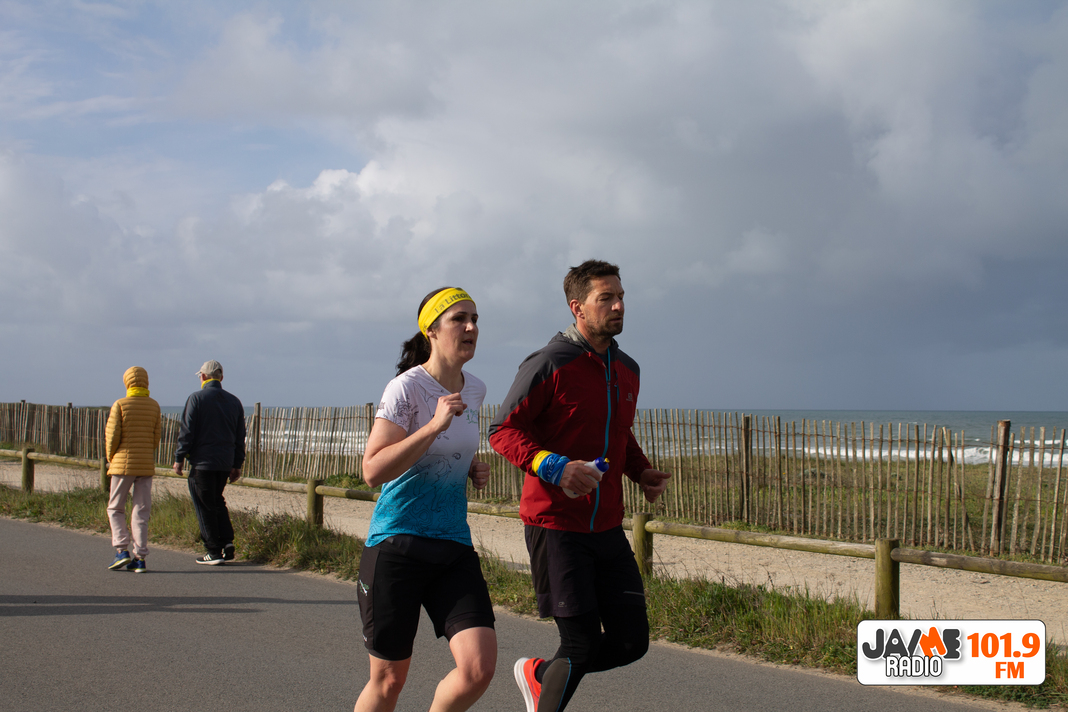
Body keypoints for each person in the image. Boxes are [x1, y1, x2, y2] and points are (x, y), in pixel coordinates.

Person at [488, 259, 671, 712]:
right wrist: (554, 467)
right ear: (578, 307)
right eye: (605, 298)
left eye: (621, 296)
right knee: (581, 643)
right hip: (556, 525)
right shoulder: (549, 363)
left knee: (631, 642)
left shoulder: (628, 368)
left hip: (607, 527)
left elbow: (618, 434)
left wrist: (641, 472)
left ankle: (538, 675)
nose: (618, 305)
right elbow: (503, 430)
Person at [354, 287, 496, 712]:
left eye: (475, 319)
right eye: (459, 319)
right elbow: (372, 470)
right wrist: (433, 426)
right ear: (431, 330)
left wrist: (469, 466)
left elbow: (450, 449)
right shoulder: (406, 388)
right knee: (388, 681)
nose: (470, 327)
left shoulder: (476, 389)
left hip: (452, 544)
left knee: (478, 669)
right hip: (397, 544)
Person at [173, 360, 246, 566]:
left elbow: (187, 431)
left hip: (203, 462)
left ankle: (213, 550)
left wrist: (179, 458)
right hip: (224, 462)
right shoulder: (234, 401)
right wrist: (237, 463)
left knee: (204, 504)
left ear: (203, 377)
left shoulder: (196, 398)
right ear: (221, 378)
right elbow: (240, 436)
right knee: (217, 500)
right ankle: (227, 541)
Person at [104, 366, 162, 573]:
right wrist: (145, 453)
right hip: (145, 464)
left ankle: (121, 550)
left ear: (127, 382)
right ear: (146, 381)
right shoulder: (154, 406)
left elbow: (112, 436)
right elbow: (156, 437)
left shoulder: (120, 404)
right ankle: (140, 558)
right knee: (141, 510)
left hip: (123, 464)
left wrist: (111, 458)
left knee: (115, 507)